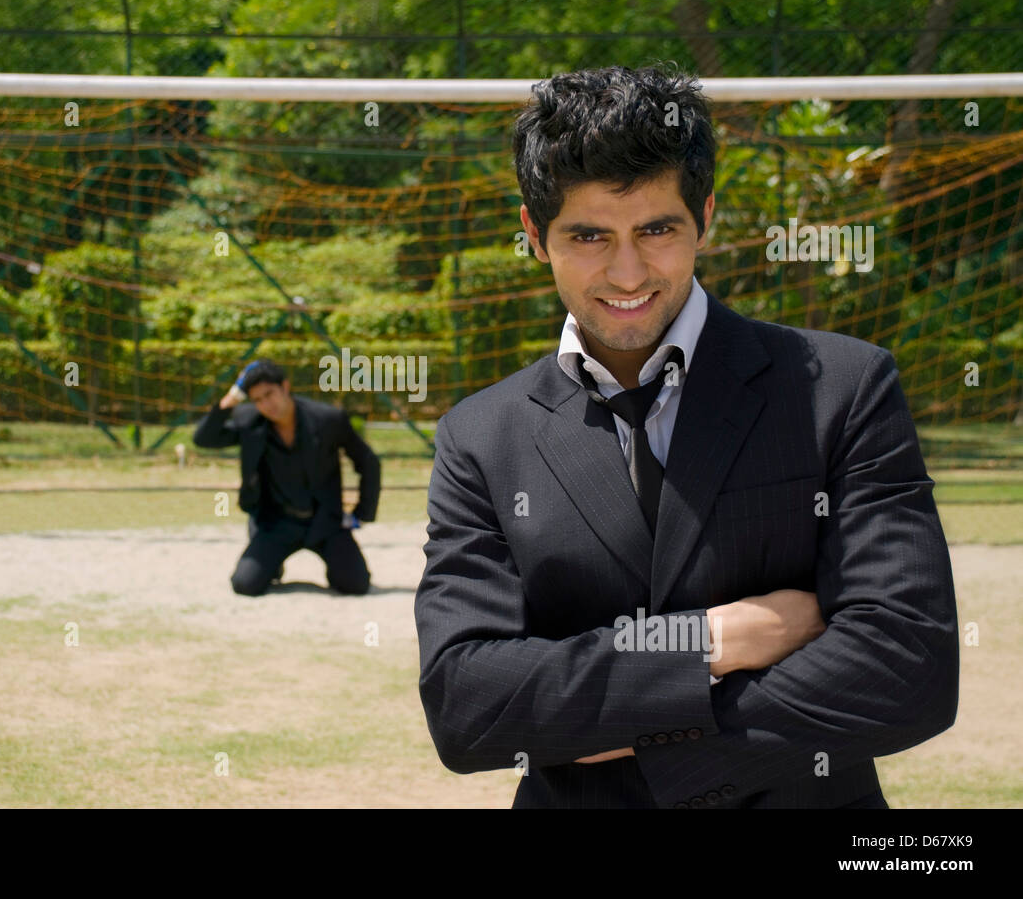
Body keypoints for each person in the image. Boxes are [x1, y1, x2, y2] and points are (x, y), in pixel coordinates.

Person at [414, 65, 959, 809]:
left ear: (704, 215)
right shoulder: (479, 436)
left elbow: (910, 667)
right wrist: (708, 640)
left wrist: (647, 733)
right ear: (534, 235)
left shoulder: (841, 386)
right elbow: (468, 705)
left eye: (657, 229)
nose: (628, 270)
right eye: (589, 235)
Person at [193, 359, 380, 596]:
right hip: (276, 523)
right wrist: (232, 398)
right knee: (245, 584)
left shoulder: (327, 419)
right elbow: (203, 439)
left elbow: (368, 461)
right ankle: (270, 560)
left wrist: (361, 513)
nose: (265, 404)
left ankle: (336, 564)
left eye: (269, 394)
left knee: (355, 585)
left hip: (324, 521)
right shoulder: (250, 421)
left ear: (285, 386)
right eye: (257, 399)